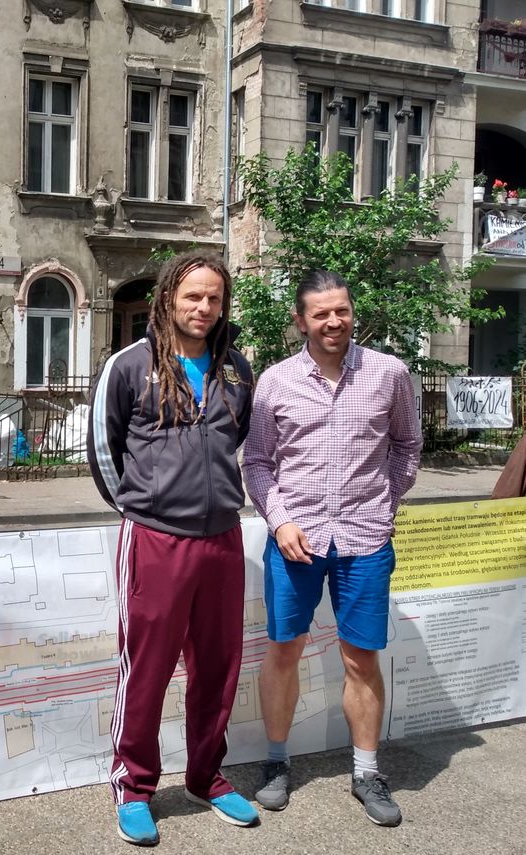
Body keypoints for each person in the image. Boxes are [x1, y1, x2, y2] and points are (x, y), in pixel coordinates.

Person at [87, 249, 257, 847]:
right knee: (148, 670)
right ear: (168, 298)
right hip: (156, 540)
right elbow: (103, 451)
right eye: (193, 296)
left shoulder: (236, 369)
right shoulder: (129, 366)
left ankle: (206, 776)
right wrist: (142, 508)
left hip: (222, 539)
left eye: (214, 298)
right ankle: (134, 786)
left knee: (217, 667)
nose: (204, 308)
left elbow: (240, 443)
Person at [243, 270, 421, 827]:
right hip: (296, 539)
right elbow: (257, 461)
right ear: (301, 320)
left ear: (352, 311)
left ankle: (367, 771)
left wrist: (385, 503)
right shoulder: (274, 382)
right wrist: (279, 520)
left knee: (361, 657)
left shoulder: (389, 374)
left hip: (365, 539)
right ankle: (275, 763)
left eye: (341, 310)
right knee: (284, 650)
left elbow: (408, 445)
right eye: (320, 313)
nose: (333, 321)